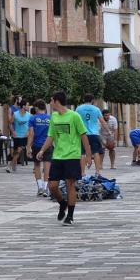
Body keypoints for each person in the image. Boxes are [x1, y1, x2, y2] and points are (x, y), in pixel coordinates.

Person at [34, 91, 90, 226]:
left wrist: (89, 155)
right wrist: (42, 150)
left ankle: (70, 216)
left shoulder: (74, 116)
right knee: (52, 186)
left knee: (70, 184)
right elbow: (51, 136)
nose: (50, 103)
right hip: (57, 156)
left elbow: (83, 135)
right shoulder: (54, 117)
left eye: (51, 100)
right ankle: (62, 203)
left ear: (56, 101)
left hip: (72, 156)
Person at [26, 100, 52, 196]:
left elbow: (31, 134)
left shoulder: (33, 119)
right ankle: (46, 188)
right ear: (45, 108)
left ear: (36, 108)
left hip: (36, 145)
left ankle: (40, 187)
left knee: (36, 165)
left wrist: (28, 147)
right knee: (47, 167)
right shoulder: (50, 118)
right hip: (48, 145)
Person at [75, 94, 105, 175]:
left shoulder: (79, 108)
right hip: (94, 134)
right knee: (96, 152)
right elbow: (102, 121)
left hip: (82, 134)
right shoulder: (96, 109)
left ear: (84, 100)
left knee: (82, 153)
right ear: (92, 100)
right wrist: (108, 131)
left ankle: (82, 172)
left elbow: (75, 120)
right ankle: (97, 171)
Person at [8, 99, 31, 173]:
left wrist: (28, 132)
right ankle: (14, 165)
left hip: (24, 136)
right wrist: (13, 131)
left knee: (19, 150)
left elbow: (31, 126)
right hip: (16, 136)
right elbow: (10, 123)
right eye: (27, 105)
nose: (28, 106)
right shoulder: (15, 114)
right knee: (15, 151)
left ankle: (10, 166)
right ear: (23, 106)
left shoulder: (29, 115)